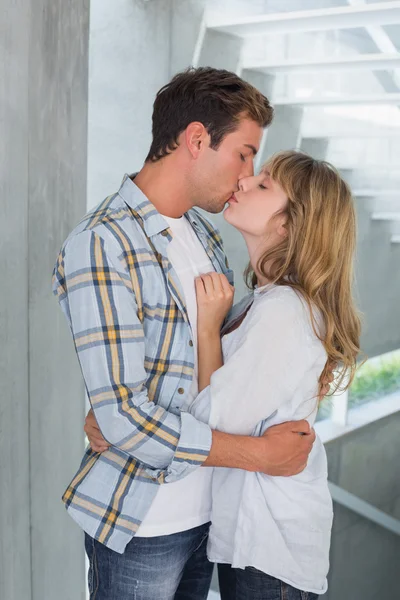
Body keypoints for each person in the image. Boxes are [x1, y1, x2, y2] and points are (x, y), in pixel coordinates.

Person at [53, 67, 330, 600]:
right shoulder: (102, 244)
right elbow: (123, 414)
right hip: (145, 527)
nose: (247, 173)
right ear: (197, 139)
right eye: (245, 153)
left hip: (211, 522)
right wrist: (258, 455)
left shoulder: (206, 235)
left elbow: (220, 375)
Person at [189, 150, 361, 599]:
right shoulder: (268, 301)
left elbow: (215, 425)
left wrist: (209, 331)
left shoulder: (283, 311)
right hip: (261, 543)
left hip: (268, 548)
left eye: (264, 184)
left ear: (288, 225)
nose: (243, 180)